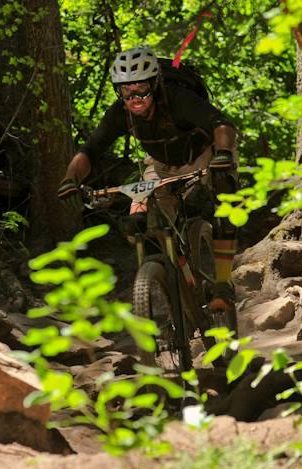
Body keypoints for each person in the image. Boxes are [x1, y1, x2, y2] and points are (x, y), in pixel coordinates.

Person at [57, 46, 239, 312]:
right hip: (162, 165)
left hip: (205, 153)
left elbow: (221, 123)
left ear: (154, 84)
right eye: (126, 90)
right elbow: (91, 150)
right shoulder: (119, 113)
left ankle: (223, 282)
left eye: (141, 87)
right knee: (141, 223)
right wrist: (69, 179)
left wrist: (222, 155)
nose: (135, 97)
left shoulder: (179, 99)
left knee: (224, 198)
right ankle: (165, 286)